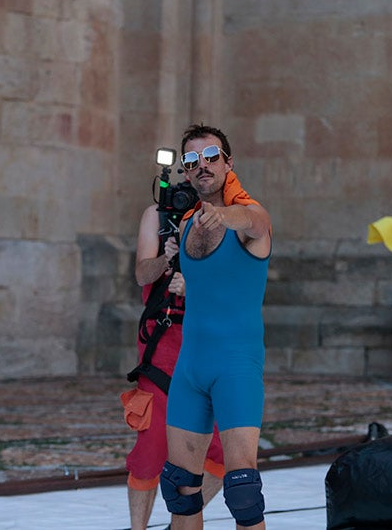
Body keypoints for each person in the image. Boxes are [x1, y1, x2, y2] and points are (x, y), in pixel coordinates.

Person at [161, 123, 272, 530]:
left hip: (236, 366)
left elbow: (254, 222)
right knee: (180, 490)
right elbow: (213, 285)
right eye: (192, 160)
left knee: (243, 491)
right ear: (186, 171)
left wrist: (223, 216)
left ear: (228, 162)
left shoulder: (246, 216)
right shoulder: (189, 222)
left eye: (211, 157)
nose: (202, 166)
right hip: (191, 367)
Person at [123, 189, 225, 529]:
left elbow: (234, 289)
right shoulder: (157, 215)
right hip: (161, 342)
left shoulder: (225, 217)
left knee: (224, 448)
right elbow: (142, 274)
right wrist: (167, 259)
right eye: (192, 161)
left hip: (204, 341)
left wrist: (193, 288)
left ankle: (176, 524)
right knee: (152, 445)